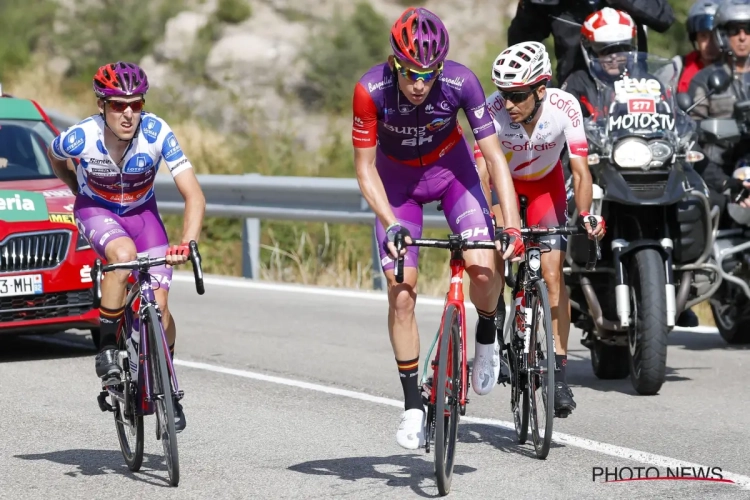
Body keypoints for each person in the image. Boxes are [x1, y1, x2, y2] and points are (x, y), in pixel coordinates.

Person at [352, 7, 525, 450]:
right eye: (410, 73)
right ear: (395, 63)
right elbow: (365, 170)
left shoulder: (460, 83)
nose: (418, 84)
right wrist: (390, 224)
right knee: (402, 292)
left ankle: (486, 333)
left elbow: (495, 159)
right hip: (398, 188)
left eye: (428, 74)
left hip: (454, 175)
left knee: (484, 269)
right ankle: (413, 405)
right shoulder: (370, 90)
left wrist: (512, 225)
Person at [47, 61, 206, 432]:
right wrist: (75, 187)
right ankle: (106, 349)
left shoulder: (157, 132)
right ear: (102, 105)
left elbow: (193, 195)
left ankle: (165, 382)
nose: (128, 112)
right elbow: (56, 158)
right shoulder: (80, 137)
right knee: (122, 258)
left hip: (143, 216)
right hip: (97, 212)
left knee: (161, 306)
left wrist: (188, 242)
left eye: (136, 103)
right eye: (119, 104)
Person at [473, 41, 605, 417]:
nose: (509, 104)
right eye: (504, 94)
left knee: (552, 278)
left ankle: (558, 376)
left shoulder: (565, 108)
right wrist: (488, 216)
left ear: (540, 90)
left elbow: (580, 171)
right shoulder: (492, 110)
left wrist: (584, 216)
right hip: (505, 187)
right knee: (493, 259)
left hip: (547, 186)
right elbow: (483, 171)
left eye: (517, 96)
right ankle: (495, 316)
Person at [507, 0, 675, 87]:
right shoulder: (551, 5)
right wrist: (545, 92)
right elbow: (520, 47)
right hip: (577, 93)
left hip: (632, 87)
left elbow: (664, 18)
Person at [688, 0, 750, 217]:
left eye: (748, 30)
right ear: (723, 35)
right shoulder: (705, 80)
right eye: (735, 30)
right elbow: (690, 136)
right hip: (717, 173)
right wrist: (724, 182)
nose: (742, 37)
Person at [676, 0, 722, 94]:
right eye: (703, 36)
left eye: (714, 36)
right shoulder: (679, 67)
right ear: (695, 38)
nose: (710, 43)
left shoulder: (737, 68)